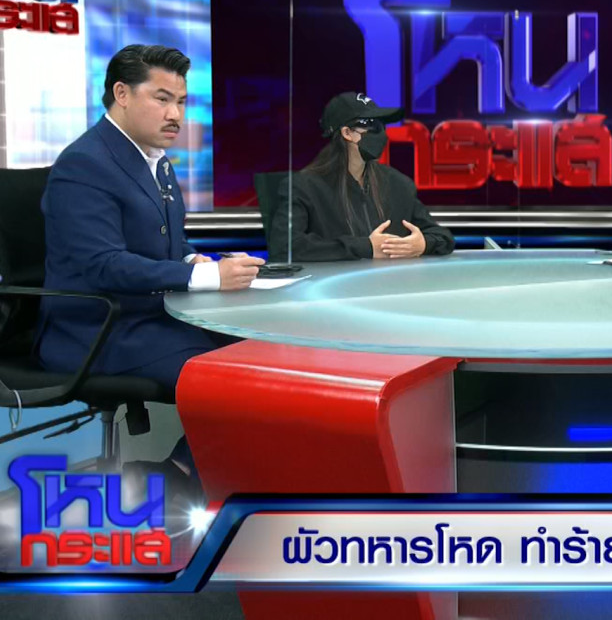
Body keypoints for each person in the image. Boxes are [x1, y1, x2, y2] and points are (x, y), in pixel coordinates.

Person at [36, 44, 264, 495]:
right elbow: (102, 265)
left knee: (265, 354)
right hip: (95, 330)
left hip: (151, 317)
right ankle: (183, 483)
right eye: (162, 99)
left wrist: (193, 259)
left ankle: (185, 469)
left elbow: (165, 245)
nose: (175, 114)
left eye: (180, 101)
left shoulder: (156, 162)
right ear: (122, 94)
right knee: (235, 380)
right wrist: (205, 278)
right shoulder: (84, 165)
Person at [269, 92, 455, 262]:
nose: (381, 134)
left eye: (382, 126)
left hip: (392, 283)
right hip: (333, 286)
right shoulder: (304, 186)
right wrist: (366, 247)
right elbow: (284, 247)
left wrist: (423, 244)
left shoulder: (398, 183)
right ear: (347, 133)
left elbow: (442, 236)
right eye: (371, 126)